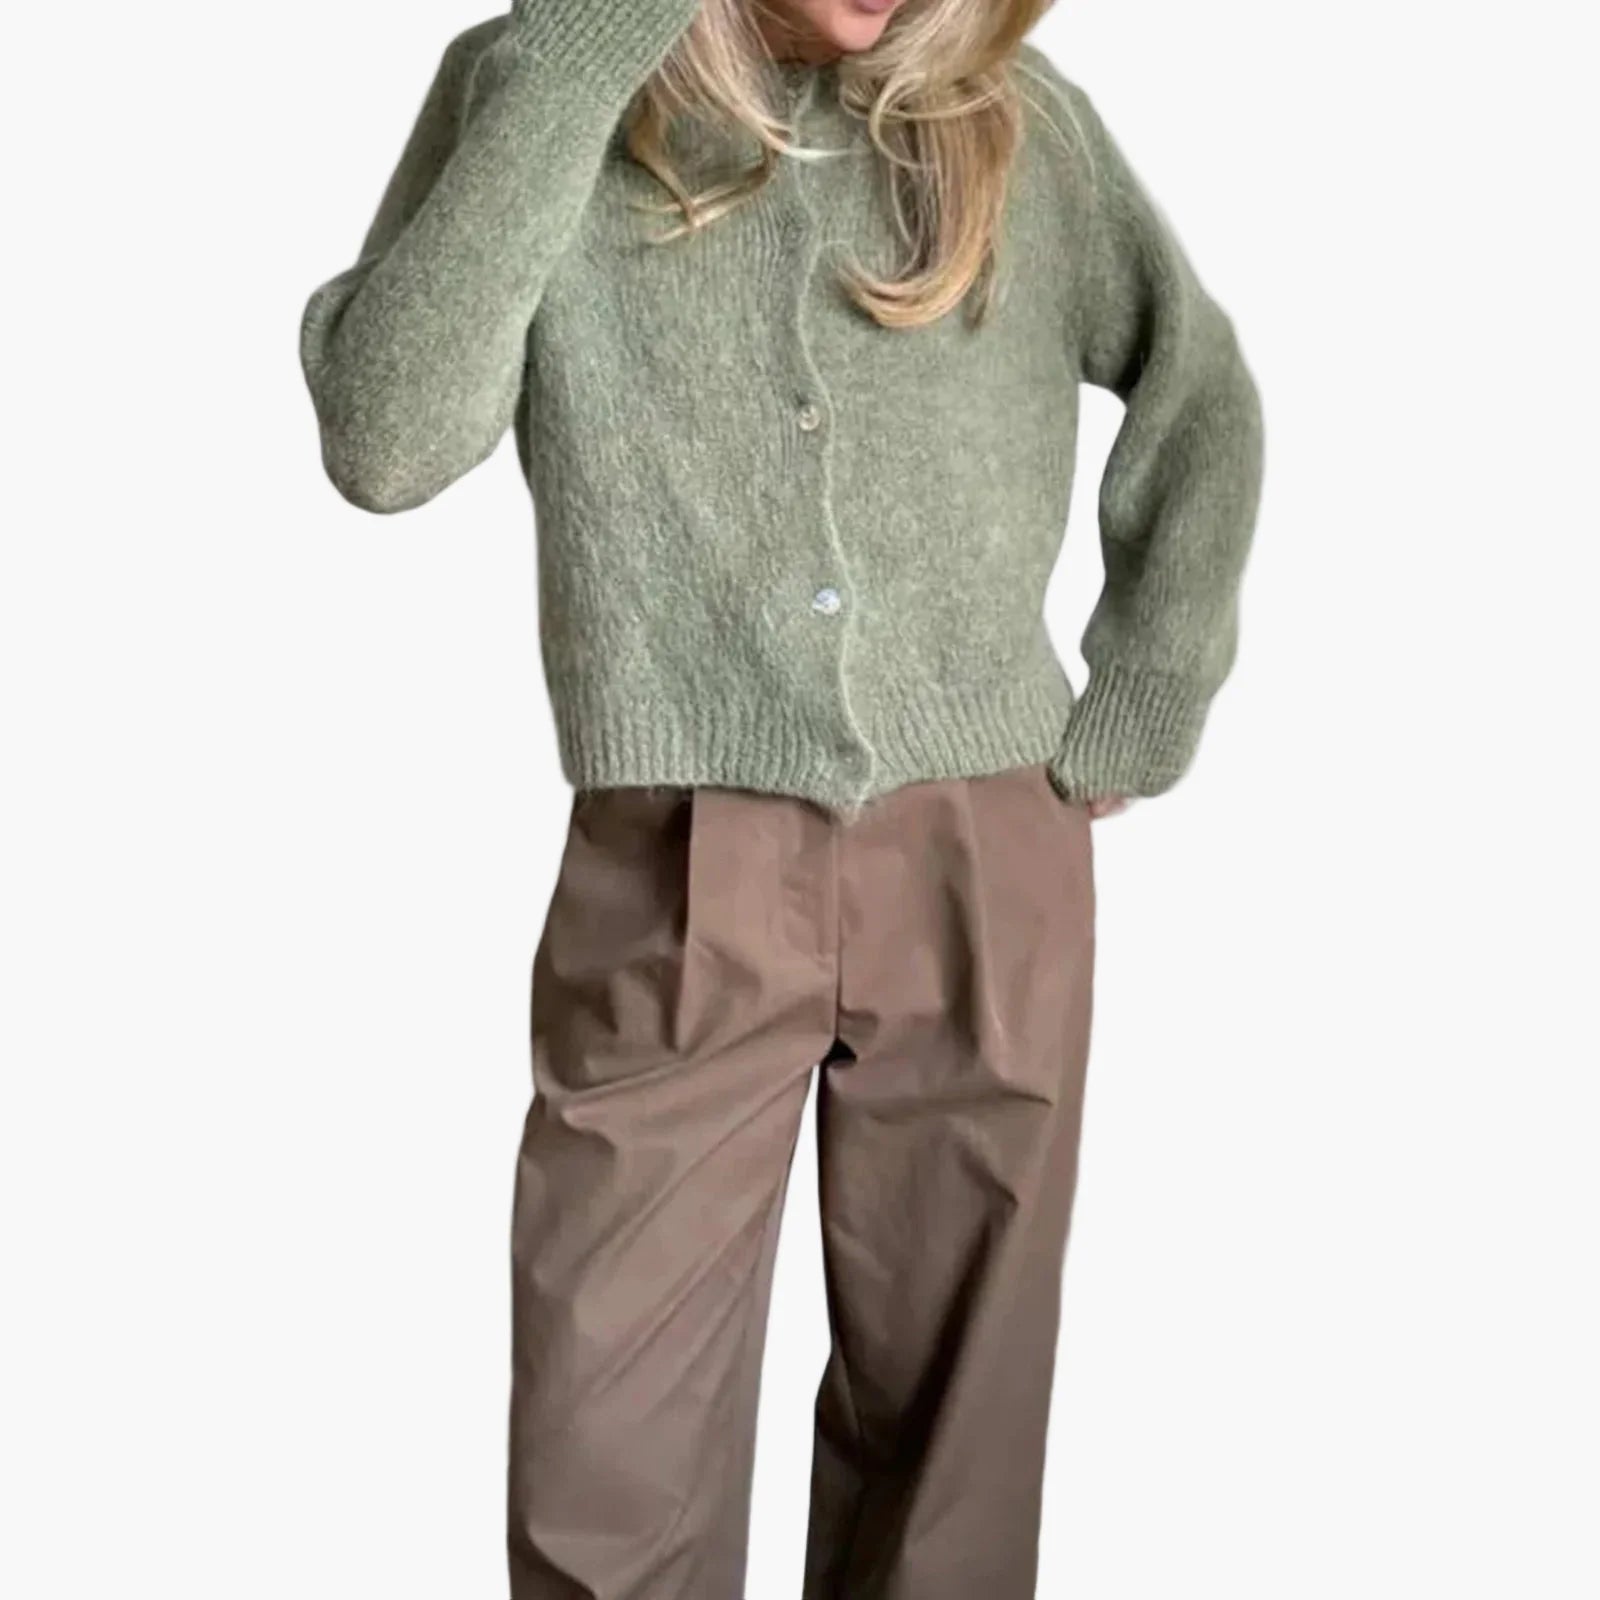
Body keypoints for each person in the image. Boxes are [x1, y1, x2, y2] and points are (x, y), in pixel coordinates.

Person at [298, 0, 1265, 1592]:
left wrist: (1153, 680)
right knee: (608, 1465)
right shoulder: (539, 83)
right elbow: (386, 442)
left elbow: (1201, 386)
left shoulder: (1017, 120)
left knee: (953, 1454)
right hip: (678, 856)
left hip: (986, 852)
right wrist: (578, 56)